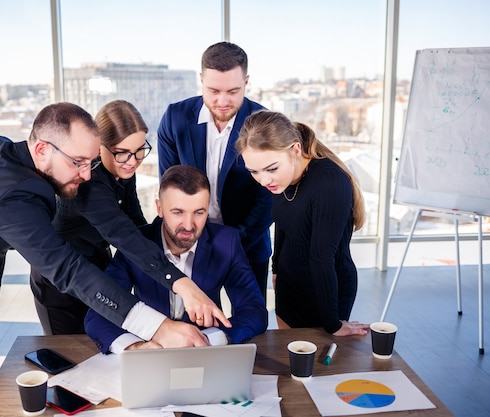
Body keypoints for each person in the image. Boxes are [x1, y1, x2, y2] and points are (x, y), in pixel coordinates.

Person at [0, 102, 229, 417]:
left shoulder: (2, 150)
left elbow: (124, 232)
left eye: (90, 162)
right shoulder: (14, 199)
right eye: (77, 163)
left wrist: (180, 282)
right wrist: (159, 327)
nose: (87, 175)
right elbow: (68, 270)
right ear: (42, 148)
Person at [31, 100, 209, 335]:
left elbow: (136, 222)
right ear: (98, 147)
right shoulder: (87, 182)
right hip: (62, 285)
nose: (133, 161)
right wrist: (180, 282)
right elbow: (123, 234)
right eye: (122, 153)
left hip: (100, 269)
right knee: (69, 354)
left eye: (139, 151)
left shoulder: (124, 169)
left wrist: (176, 232)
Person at [85, 165, 268, 353]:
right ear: (160, 208)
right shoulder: (135, 244)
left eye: (199, 212)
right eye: (178, 212)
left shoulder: (227, 241)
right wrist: (135, 348)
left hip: (205, 352)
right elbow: (98, 314)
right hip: (151, 349)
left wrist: (211, 340)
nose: (188, 226)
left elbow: (253, 310)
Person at [235, 110, 370, 336]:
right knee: (289, 361)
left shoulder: (329, 182)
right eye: (254, 171)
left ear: (295, 150)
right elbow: (282, 225)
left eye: (271, 169)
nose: (263, 180)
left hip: (325, 293)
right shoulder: (280, 179)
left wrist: (333, 324)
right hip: (289, 286)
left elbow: (322, 256)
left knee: (321, 365)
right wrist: (276, 269)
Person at [157, 41, 272, 301]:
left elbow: (267, 199)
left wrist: (231, 242)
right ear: (201, 80)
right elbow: (170, 188)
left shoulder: (264, 122)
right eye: (213, 90)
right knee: (197, 326)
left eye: (233, 91)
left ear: (247, 81)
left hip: (249, 243)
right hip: (191, 241)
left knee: (253, 323)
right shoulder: (175, 118)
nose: (222, 101)